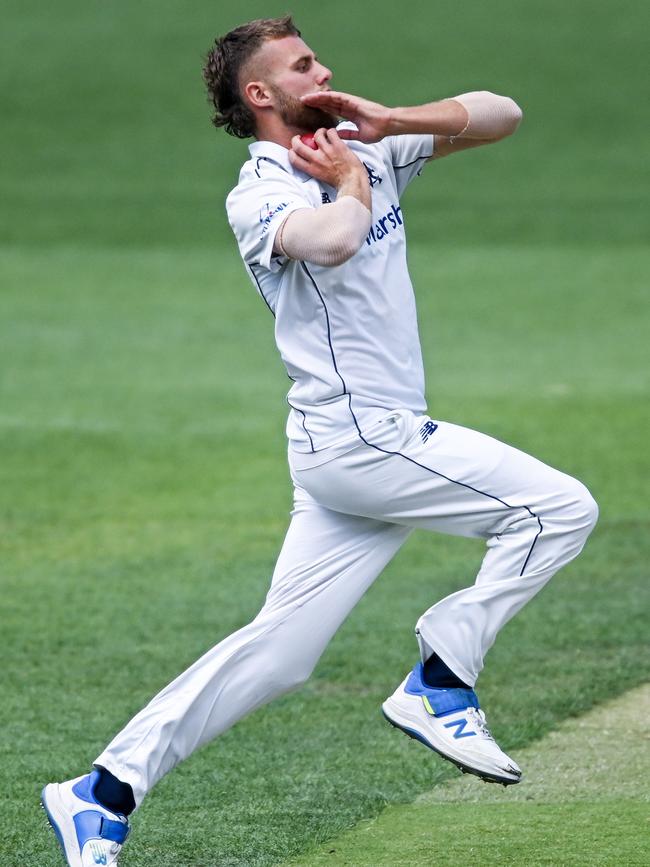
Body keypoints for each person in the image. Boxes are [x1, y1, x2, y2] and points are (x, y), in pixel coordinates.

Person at [41, 15, 598, 866]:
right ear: (261, 95)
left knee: (281, 655)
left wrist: (395, 120)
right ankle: (441, 680)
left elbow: (504, 112)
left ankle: (101, 792)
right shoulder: (262, 191)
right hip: (364, 439)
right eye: (305, 65)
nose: (326, 69)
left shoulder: (359, 145)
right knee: (559, 509)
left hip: (354, 450)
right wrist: (350, 179)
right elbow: (333, 242)